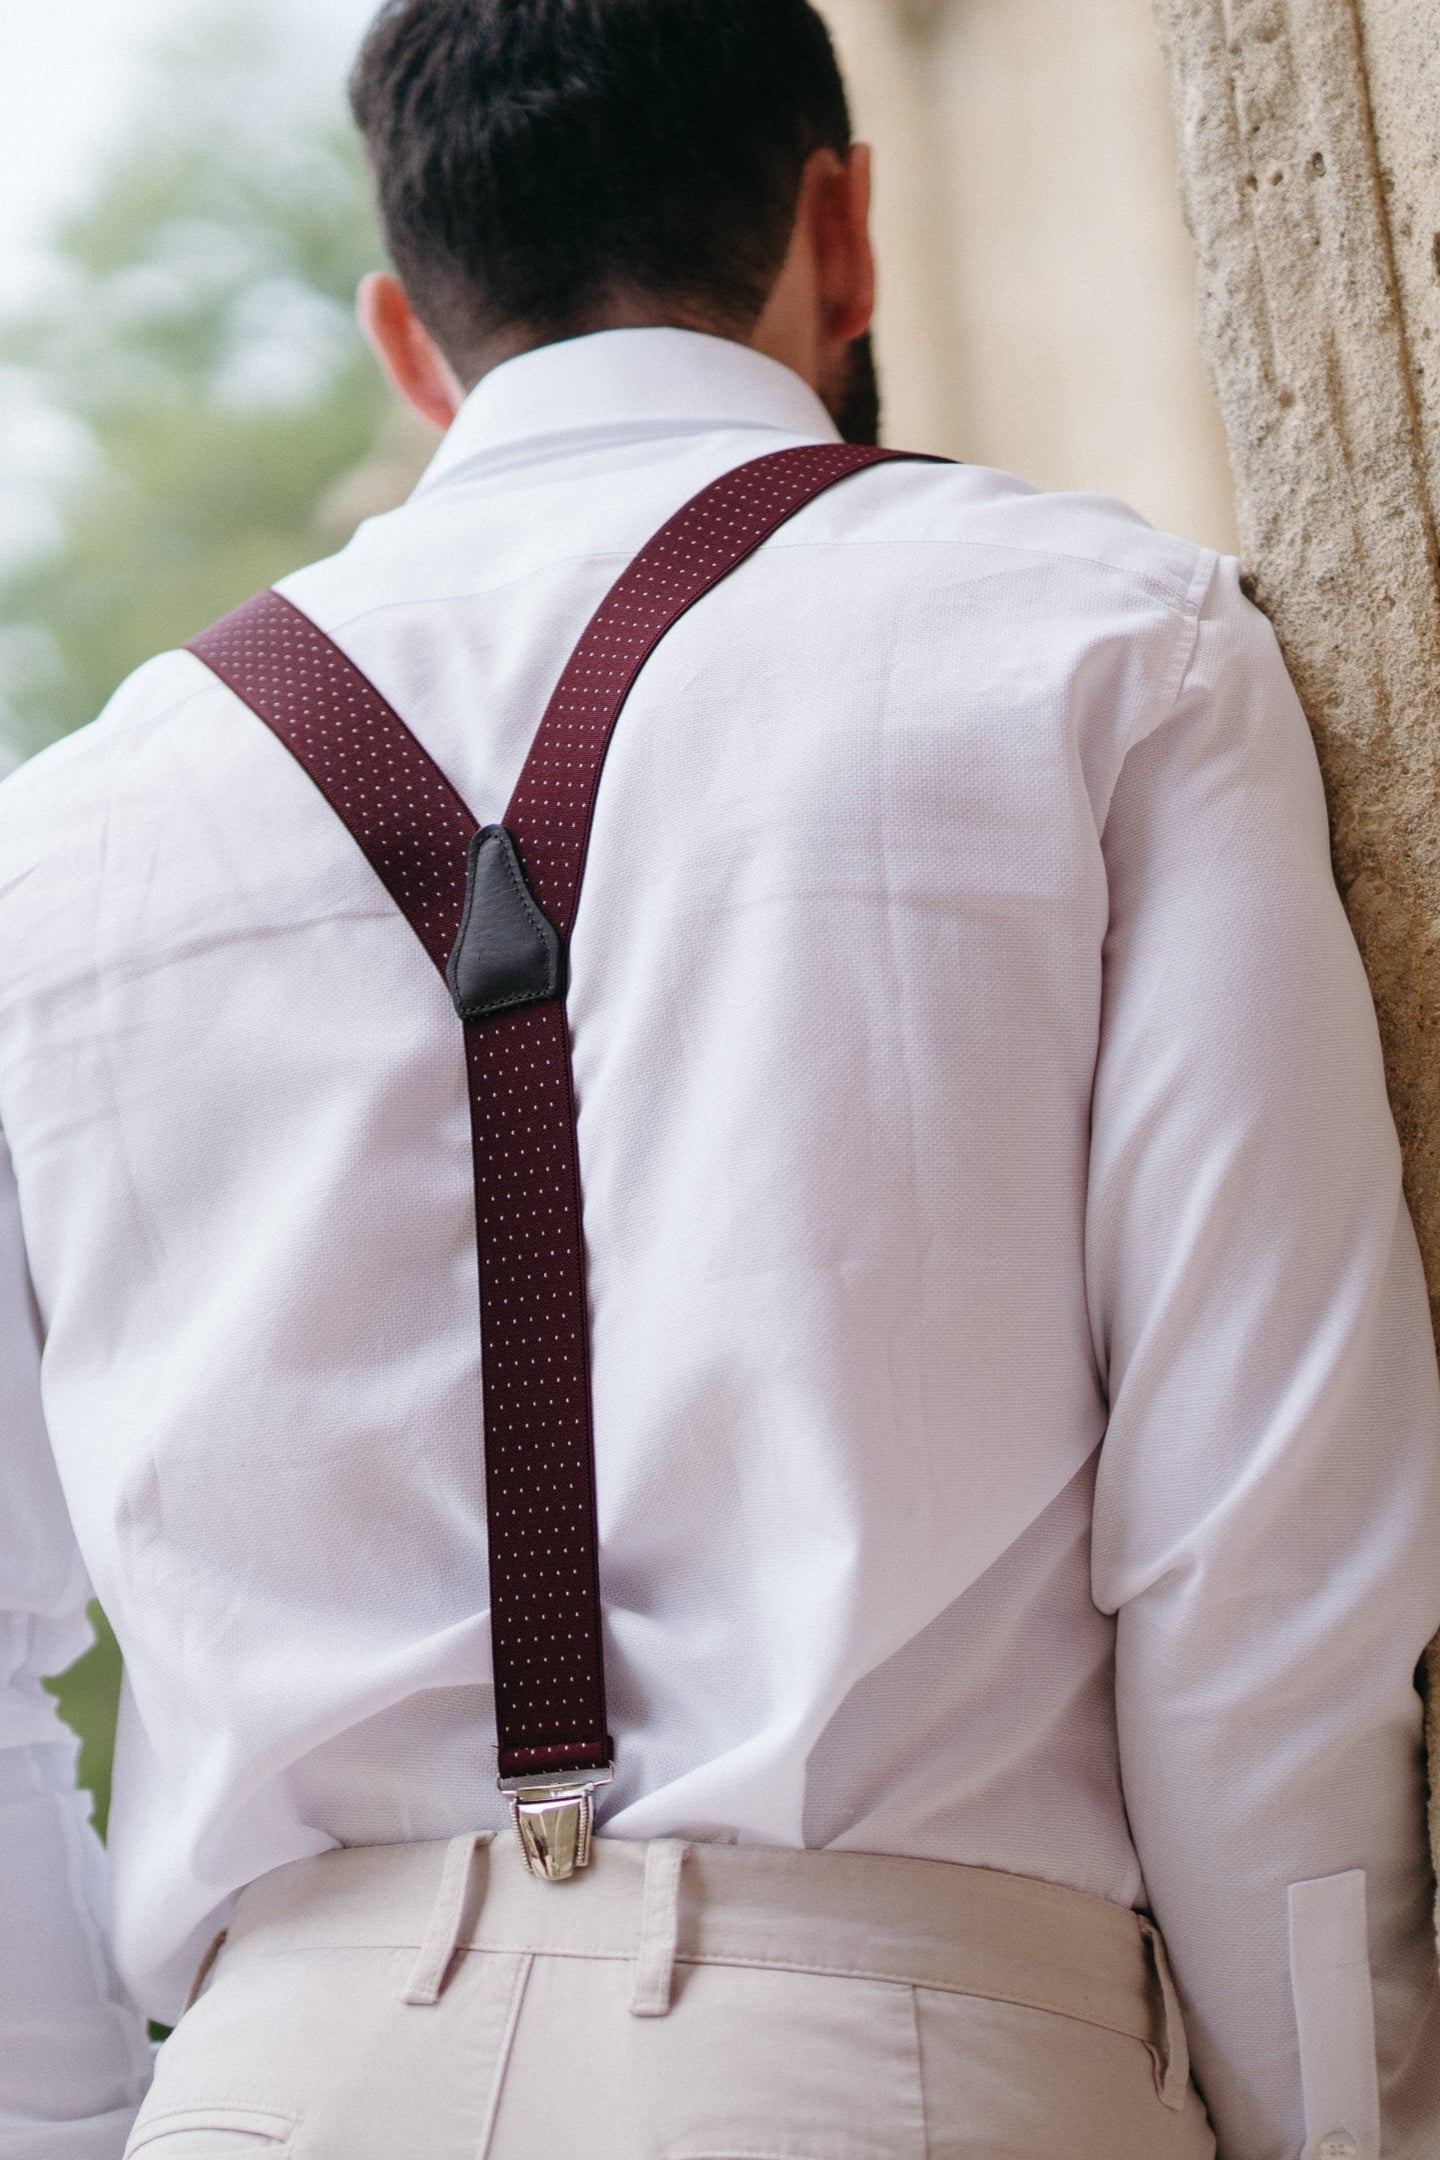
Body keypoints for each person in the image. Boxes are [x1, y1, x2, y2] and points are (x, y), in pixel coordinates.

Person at [1, 0, 1438, 2153]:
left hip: (264, 2089)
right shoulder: (1114, 658)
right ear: (844, 237)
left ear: (409, 340)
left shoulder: (64, 839)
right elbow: (1260, 1562)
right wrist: (1343, 2121)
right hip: (910, 2072)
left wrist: (84, 2130)